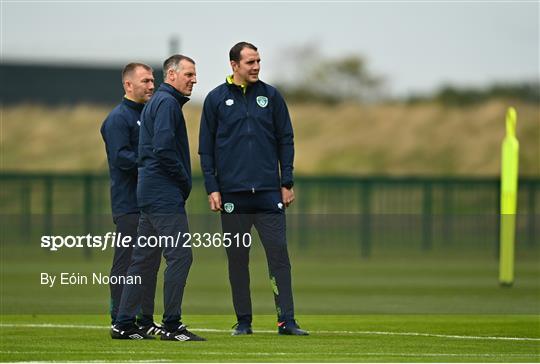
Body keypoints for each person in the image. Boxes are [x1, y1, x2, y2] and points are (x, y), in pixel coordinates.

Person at [199, 42, 308, 336]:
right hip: (233, 196)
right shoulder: (215, 100)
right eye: (250, 62)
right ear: (234, 65)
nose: (256, 66)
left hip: (268, 194)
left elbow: (286, 139)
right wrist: (213, 187)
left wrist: (286, 182)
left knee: (279, 257)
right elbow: (205, 150)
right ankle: (243, 321)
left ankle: (286, 320)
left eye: (258, 61)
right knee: (237, 260)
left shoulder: (271, 97)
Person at [113, 55, 205, 341]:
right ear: (172, 75)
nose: (194, 79)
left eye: (194, 74)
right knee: (180, 256)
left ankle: (124, 323)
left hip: (150, 192)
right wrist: (182, 180)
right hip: (163, 192)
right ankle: (172, 325)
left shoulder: (160, 102)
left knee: (142, 259)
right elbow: (164, 149)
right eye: (189, 74)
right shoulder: (166, 103)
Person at [100, 63, 163, 337]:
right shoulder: (118, 118)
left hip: (150, 204)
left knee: (149, 264)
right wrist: (151, 159)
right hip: (128, 205)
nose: (151, 86)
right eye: (146, 81)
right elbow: (120, 158)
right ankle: (119, 317)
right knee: (126, 262)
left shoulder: (148, 114)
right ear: (128, 85)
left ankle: (144, 318)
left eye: (152, 81)